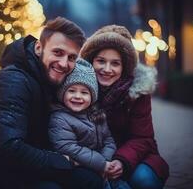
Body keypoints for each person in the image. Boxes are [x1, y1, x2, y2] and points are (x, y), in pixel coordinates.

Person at [0, 17, 103, 189]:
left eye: (72, 57)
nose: (64, 63)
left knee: (90, 179)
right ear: (39, 47)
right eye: (58, 52)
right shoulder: (13, 81)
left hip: (14, 167)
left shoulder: (48, 82)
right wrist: (63, 161)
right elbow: (8, 150)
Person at [80, 25, 169, 189]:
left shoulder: (138, 92)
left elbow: (143, 138)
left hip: (134, 156)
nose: (107, 69)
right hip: (93, 160)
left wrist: (121, 161)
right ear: (91, 60)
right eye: (101, 61)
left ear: (125, 67)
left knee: (144, 180)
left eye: (115, 63)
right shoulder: (78, 90)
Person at [48, 58, 131, 189]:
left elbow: (108, 139)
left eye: (84, 92)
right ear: (61, 93)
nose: (78, 96)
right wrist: (101, 164)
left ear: (92, 96)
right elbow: (68, 147)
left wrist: (106, 161)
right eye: (71, 90)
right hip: (78, 168)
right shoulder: (60, 118)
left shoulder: (97, 114)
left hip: (100, 166)